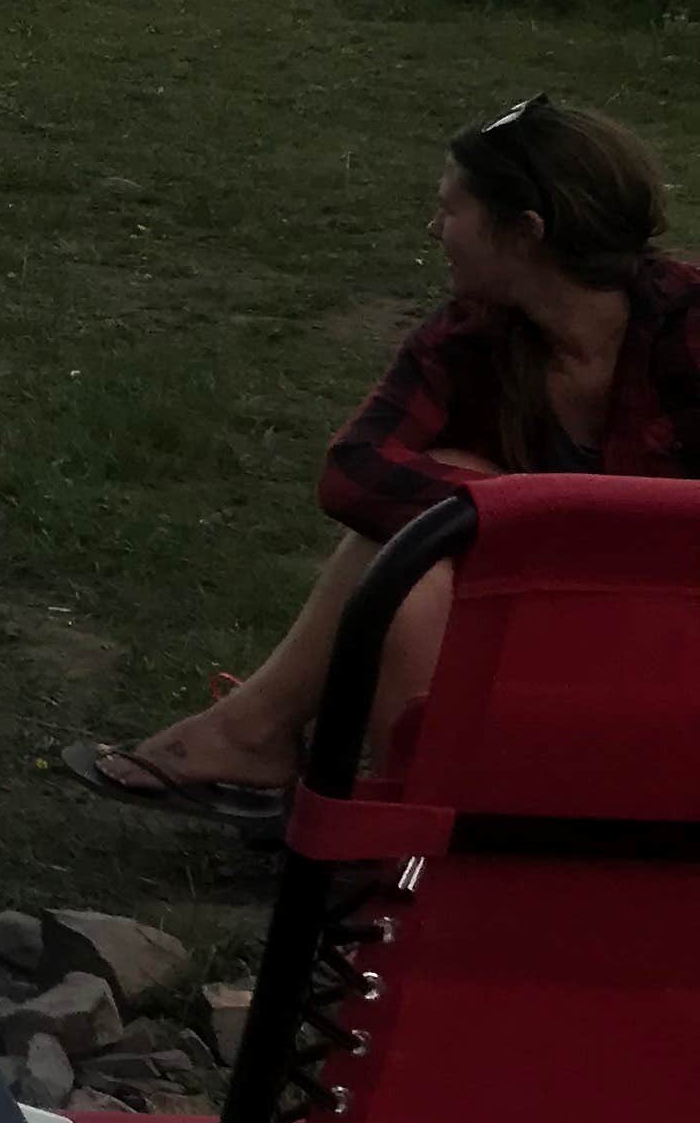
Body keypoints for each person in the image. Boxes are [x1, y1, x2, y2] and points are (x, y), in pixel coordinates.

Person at [72, 95, 700, 818]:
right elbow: (356, 469)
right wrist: (510, 517)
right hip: (554, 608)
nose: (435, 229)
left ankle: (276, 744)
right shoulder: (474, 337)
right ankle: (401, 811)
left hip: (670, 625)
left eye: (452, 211)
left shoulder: (686, 327)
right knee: (431, 514)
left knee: (448, 510)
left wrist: (544, 527)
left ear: (525, 233)